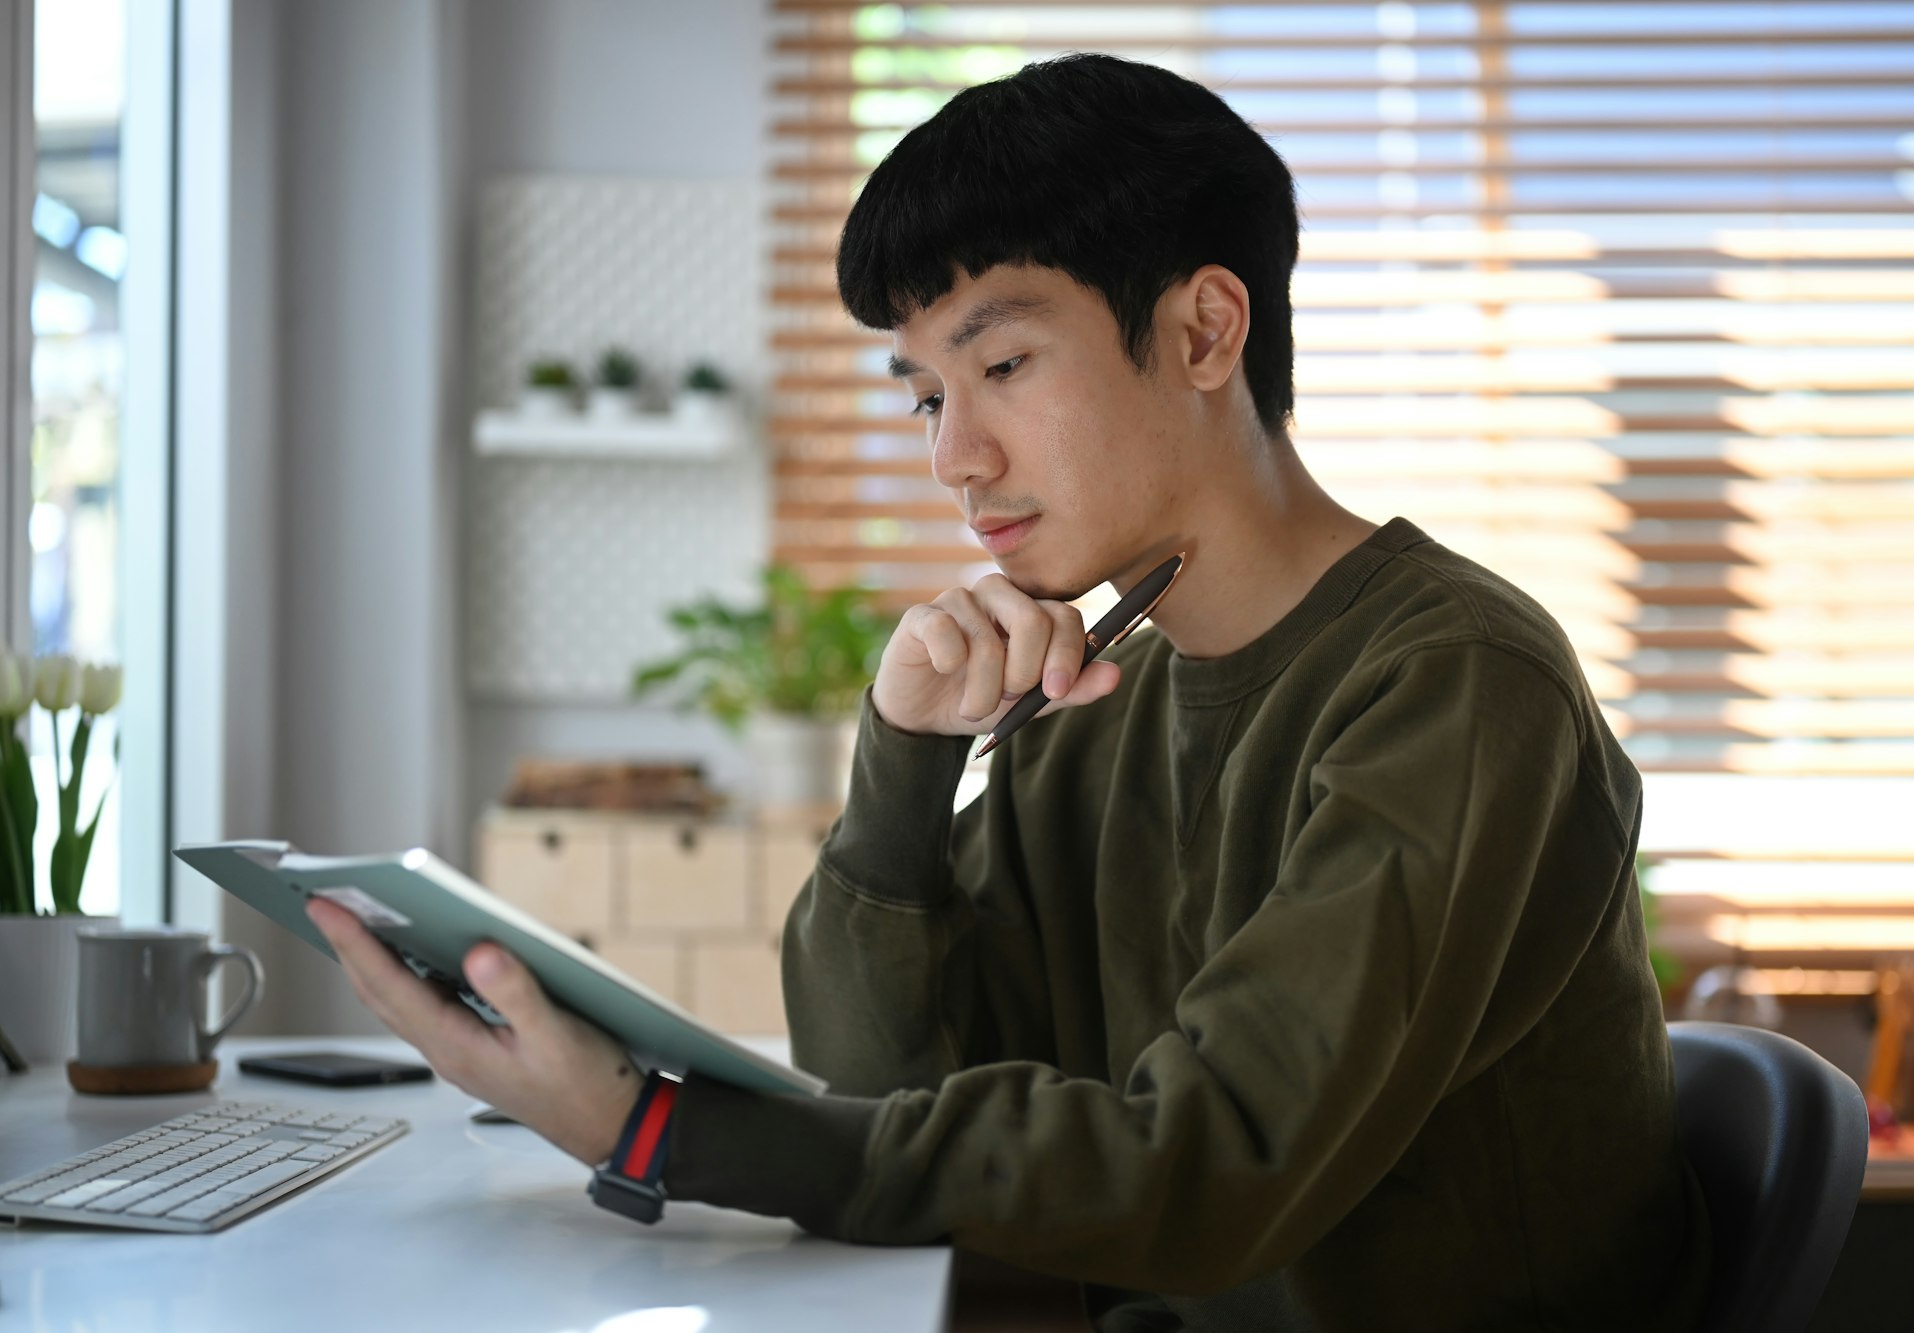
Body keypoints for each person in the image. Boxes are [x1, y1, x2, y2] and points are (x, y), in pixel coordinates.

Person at [306, 52, 1709, 1332]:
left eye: (1004, 363)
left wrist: (659, 1130)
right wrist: (905, 765)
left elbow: (1209, 1163)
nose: (954, 458)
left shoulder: (1457, 685)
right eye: (925, 393)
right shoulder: (1105, 690)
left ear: (1206, 329)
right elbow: (887, 1088)